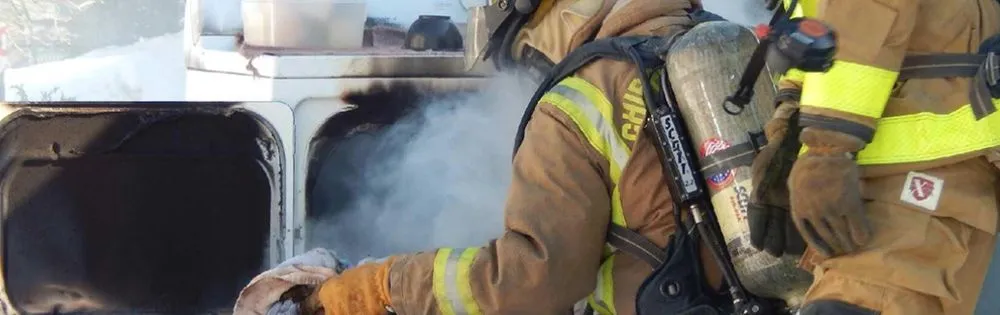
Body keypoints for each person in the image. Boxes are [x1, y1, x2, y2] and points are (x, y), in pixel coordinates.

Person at [294, 0, 732, 314]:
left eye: (526, 51)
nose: (537, 67)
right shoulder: (733, 57)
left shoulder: (582, 98)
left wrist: (382, 286)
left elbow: (530, 281)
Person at [749, 0, 1000, 314]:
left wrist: (826, 148)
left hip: (926, 160)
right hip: (935, 163)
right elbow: (820, 20)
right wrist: (791, 126)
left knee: (868, 297)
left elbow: (865, 12)